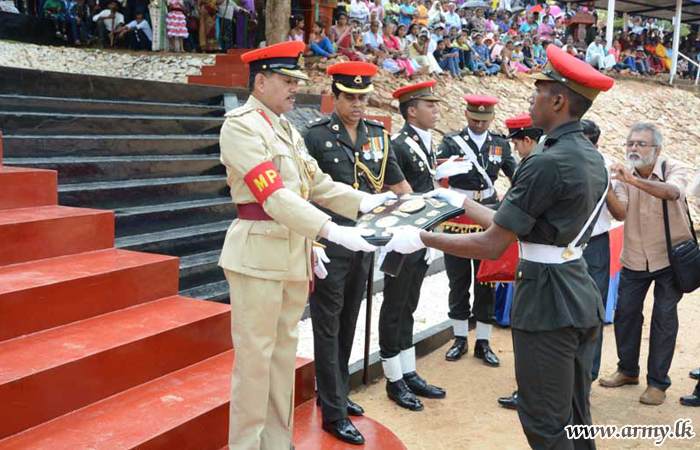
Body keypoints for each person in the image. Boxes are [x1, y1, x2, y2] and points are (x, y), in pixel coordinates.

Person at [386, 44, 614, 449]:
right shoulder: (585, 154)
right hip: (576, 292)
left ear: (558, 100)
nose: (530, 99)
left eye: (537, 92)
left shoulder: (546, 160)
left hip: (548, 301)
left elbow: (494, 245)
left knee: (545, 422)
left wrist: (420, 237)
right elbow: (517, 224)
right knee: (577, 417)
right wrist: (462, 202)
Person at [220, 42, 393, 450]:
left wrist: (363, 200)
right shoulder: (241, 125)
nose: (295, 88)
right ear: (260, 82)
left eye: (296, 81)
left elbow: (316, 183)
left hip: (292, 256)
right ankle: (247, 444)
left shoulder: (285, 127)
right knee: (254, 364)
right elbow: (274, 196)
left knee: (282, 361)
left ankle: (277, 442)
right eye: (287, 81)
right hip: (258, 257)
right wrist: (331, 230)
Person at [303, 61, 411, 446]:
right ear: (335, 96)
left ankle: (335, 393)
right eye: (349, 97)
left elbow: (399, 186)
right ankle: (333, 411)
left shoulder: (378, 137)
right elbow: (306, 193)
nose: (357, 104)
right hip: (329, 242)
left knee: (349, 317)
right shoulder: (315, 136)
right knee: (327, 324)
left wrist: (415, 216)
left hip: (366, 242)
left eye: (363, 98)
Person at [600, 123, 693, 406]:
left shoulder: (674, 168)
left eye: (641, 144)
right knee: (626, 314)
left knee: (664, 318)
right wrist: (606, 186)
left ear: (658, 149)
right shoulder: (621, 175)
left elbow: (672, 193)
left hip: (670, 258)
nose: (634, 149)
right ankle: (628, 371)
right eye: (630, 144)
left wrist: (633, 180)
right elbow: (622, 213)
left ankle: (658, 383)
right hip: (634, 258)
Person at [379, 81, 446, 412]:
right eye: (428, 105)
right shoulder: (400, 144)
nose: (435, 110)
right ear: (411, 111)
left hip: (421, 236)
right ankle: (393, 378)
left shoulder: (425, 142)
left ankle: (408, 370)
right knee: (395, 306)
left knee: (409, 305)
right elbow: (400, 194)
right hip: (402, 240)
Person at [435, 95, 516, 366]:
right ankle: (459, 338)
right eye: (474, 119)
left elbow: (517, 177)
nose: (479, 124)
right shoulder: (451, 142)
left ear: (492, 118)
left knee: (486, 280)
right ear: (467, 115)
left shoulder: (500, 144)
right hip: (458, 214)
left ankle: (483, 341)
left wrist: (508, 205)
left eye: (484, 120)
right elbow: (437, 178)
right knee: (457, 280)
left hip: (489, 216)